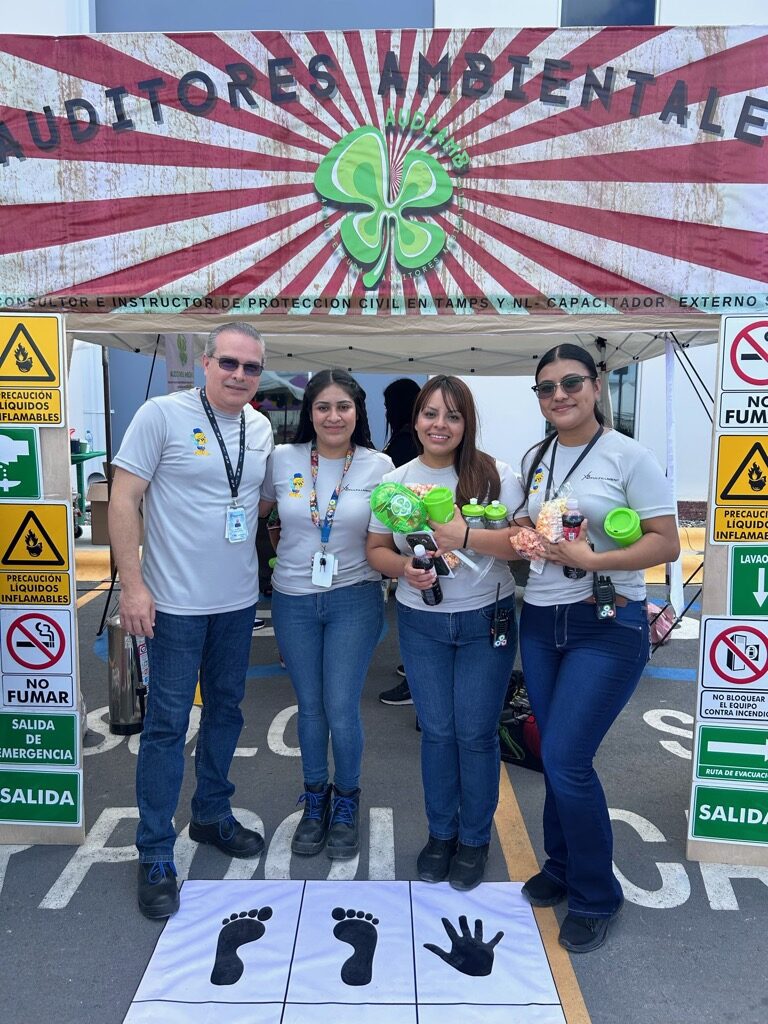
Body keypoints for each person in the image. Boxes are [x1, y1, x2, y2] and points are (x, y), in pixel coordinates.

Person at [510, 343, 680, 953]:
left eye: (571, 382)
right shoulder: (538, 456)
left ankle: (595, 895)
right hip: (542, 621)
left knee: (566, 759)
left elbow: (665, 543)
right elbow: (523, 525)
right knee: (554, 757)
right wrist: (522, 538)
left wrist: (594, 559)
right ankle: (560, 865)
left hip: (607, 625)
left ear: (599, 384)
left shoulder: (628, 456)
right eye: (547, 386)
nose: (560, 395)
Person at [109, 322, 273, 920]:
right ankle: (154, 850)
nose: (239, 375)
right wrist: (133, 586)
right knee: (165, 727)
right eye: (229, 362)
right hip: (173, 606)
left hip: (236, 605)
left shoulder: (257, 428)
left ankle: (210, 813)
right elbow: (123, 498)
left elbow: (254, 503)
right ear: (206, 362)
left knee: (227, 712)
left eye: (251, 368)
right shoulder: (161, 414)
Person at [366, 375, 520, 891]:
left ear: (466, 423)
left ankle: (474, 839)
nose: (440, 424)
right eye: (431, 413)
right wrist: (401, 571)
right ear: (416, 419)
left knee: (474, 734)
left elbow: (520, 547)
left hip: (486, 618)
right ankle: (441, 834)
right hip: (421, 621)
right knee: (436, 732)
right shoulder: (396, 479)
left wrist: (469, 534)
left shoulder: (495, 473)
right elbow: (377, 548)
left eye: (453, 415)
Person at [261, 369, 392, 859]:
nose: (333, 416)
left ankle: (347, 800)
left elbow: (393, 532)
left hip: (354, 596)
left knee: (340, 706)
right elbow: (255, 511)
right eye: (322, 407)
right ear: (309, 413)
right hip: (293, 598)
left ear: (357, 412)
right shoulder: (282, 459)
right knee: (310, 707)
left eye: (343, 407)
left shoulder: (379, 466)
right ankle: (315, 798)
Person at [379, 378, 421, 707]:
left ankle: (414, 680)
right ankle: (413, 672)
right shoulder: (408, 439)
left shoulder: (405, 443)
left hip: (410, 542)